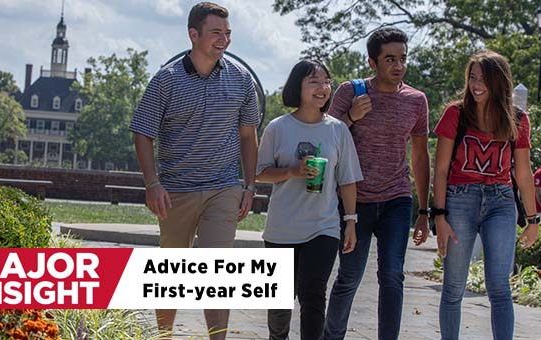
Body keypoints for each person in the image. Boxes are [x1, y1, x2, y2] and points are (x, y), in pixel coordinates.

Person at [128, 2, 259, 338]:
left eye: (228, 33)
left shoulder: (242, 79)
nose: (224, 40)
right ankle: (164, 335)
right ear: (193, 34)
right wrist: (152, 183)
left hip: (224, 187)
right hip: (175, 191)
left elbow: (248, 136)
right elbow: (143, 132)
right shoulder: (165, 81)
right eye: (216, 32)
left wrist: (249, 186)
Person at [323, 27, 430, 340]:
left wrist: (425, 210)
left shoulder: (416, 101)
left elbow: (420, 157)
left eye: (403, 59)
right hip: (354, 199)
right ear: (372, 62)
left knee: (393, 276)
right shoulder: (351, 92)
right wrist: (352, 117)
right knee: (350, 276)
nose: (398, 66)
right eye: (390, 59)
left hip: (397, 198)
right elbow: (325, 137)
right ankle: (332, 337)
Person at [432, 50, 540, 340]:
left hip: (500, 202)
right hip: (459, 199)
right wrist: (439, 215)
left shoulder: (518, 118)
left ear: (499, 82)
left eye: (484, 79)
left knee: (500, 288)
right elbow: (440, 170)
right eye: (472, 78)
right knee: (454, 287)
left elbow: (523, 173)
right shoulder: (456, 113)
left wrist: (533, 219)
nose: (476, 85)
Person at [256, 60, 363, 340]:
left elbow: (348, 179)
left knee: (313, 295)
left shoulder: (338, 130)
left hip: (323, 227)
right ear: (297, 87)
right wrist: (292, 171)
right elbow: (260, 173)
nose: (322, 87)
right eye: (313, 81)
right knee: (278, 303)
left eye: (326, 81)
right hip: (281, 228)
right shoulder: (278, 128)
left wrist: (350, 221)